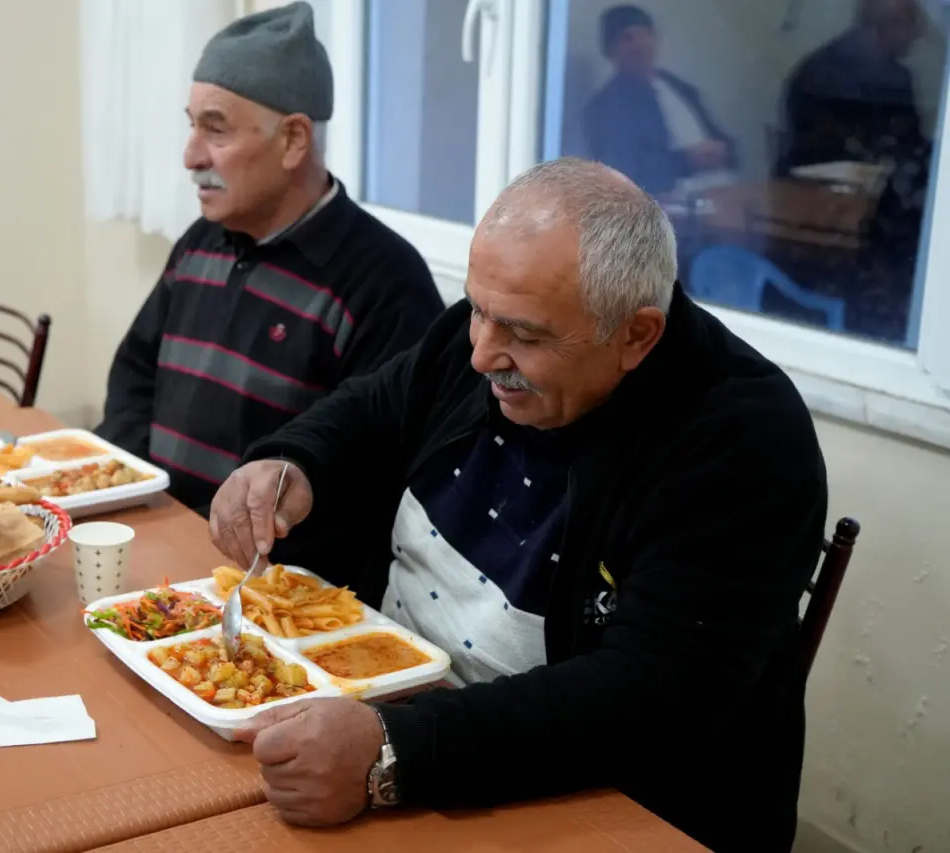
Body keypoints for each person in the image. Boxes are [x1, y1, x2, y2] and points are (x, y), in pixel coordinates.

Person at [209, 158, 828, 853]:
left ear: (637, 335)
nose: (480, 354)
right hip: (396, 717)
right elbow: (376, 406)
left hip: (598, 795)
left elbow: (645, 699)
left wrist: (394, 753)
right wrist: (291, 460)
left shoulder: (741, 439)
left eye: (525, 336)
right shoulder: (489, 336)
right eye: (477, 309)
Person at [96, 2, 443, 514]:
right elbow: (135, 372)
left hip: (270, 578)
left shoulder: (384, 282)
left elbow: (375, 466)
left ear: (293, 141)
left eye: (216, 130)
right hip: (160, 528)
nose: (191, 156)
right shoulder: (201, 242)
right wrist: (135, 493)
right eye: (192, 126)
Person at [584, 5, 738, 196]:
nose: (640, 45)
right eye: (628, 38)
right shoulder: (605, 107)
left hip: (724, 191)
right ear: (610, 51)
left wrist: (724, 151)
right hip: (670, 206)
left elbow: (725, 142)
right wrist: (687, 161)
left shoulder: (682, 89)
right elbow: (623, 174)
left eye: (646, 35)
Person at [778, 0, 928, 175]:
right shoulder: (820, 79)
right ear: (882, 25)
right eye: (911, 22)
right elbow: (814, 162)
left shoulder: (899, 81)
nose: (917, 33)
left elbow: (913, 148)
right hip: (818, 195)